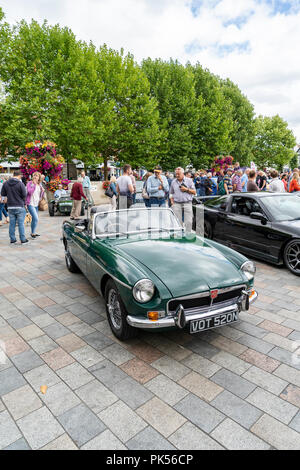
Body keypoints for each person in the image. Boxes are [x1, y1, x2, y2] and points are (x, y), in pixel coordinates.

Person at [0, 170, 28, 244]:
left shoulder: (5, 183)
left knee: (12, 224)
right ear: (19, 175)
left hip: (10, 206)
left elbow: (3, 194)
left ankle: (12, 239)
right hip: (19, 206)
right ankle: (23, 239)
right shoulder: (20, 184)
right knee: (20, 224)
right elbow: (24, 195)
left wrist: (5, 199)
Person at [169, 167, 196, 232]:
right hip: (177, 203)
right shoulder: (173, 182)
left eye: (179, 174)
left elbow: (194, 192)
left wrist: (186, 189)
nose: (177, 175)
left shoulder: (189, 180)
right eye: (176, 174)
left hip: (187, 203)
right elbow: (171, 193)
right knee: (177, 222)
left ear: (183, 173)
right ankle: (179, 236)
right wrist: (172, 201)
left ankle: (188, 235)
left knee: (189, 221)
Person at [26, 172, 45, 238]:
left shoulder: (39, 185)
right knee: (36, 218)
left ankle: (33, 233)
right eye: (34, 175)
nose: (35, 176)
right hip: (30, 203)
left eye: (36, 176)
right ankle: (33, 233)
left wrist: (42, 191)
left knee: (34, 219)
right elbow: (29, 192)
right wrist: (33, 184)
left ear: (39, 178)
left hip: (36, 204)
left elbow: (40, 195)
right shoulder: (29, 183)